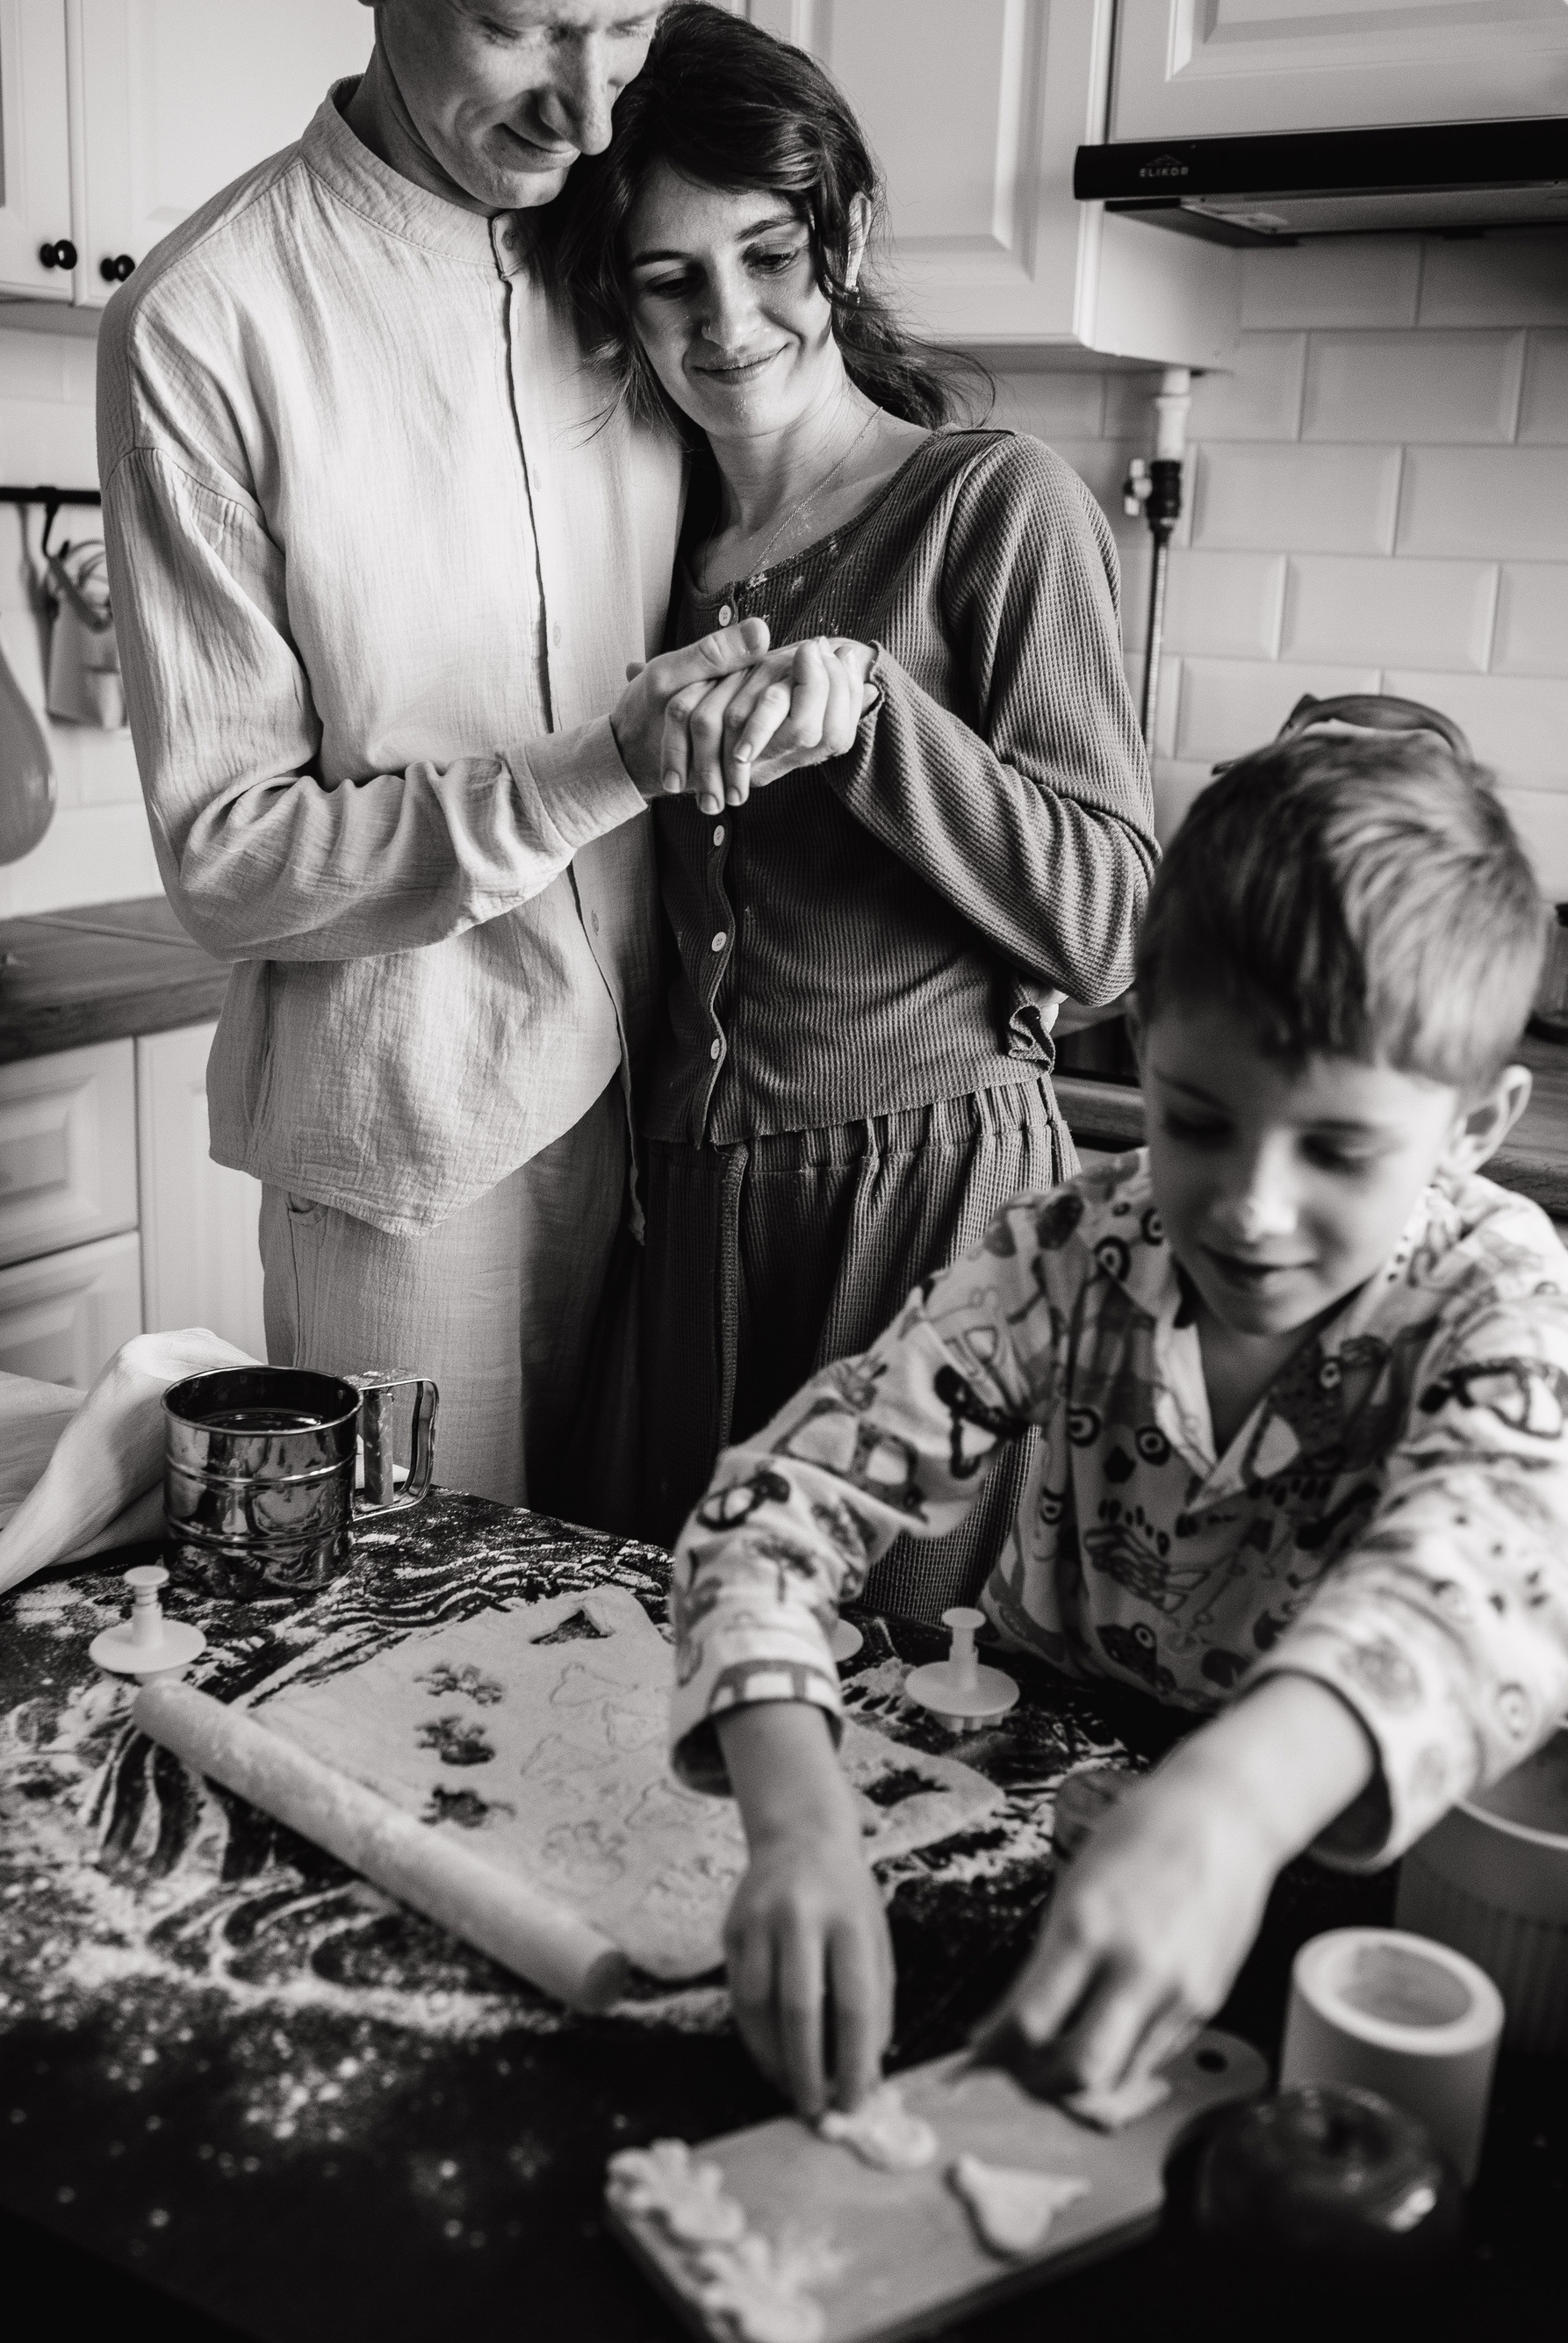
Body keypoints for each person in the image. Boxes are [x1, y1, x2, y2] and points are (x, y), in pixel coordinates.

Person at [97, 0, 866, 1527]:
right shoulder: (209, 322)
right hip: (412, 1155)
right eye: (521, 30)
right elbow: (231, 860)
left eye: (631, 29)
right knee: (414, 1641)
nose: (588, 112)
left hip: (683, 1114)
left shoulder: (624, 250)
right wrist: (602, 768)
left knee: (639, 1631)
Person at [665, 728, 1568, 2118]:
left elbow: (1490, 1569)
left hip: (1354, 1871)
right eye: (1198, 1123)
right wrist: (797, 1821)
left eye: (1339, 1151)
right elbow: (777, 1510)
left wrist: (1230, 1810)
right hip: (1040, 1812)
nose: (1251, 1209)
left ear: (1474, 1126)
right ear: (1143, 1050)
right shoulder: (1071, 1251)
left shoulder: (1496, 1295)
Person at [551, 3, 1156, 1613]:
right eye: (670, 277)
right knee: (665, 1668)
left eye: (769, 255)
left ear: (849, 234)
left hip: (929, 1217)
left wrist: (879, 714)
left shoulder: (992, 504)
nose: (728, 319)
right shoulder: (649, 558)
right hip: (690, 1222)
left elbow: (1110, 935)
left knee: (910, 1696)